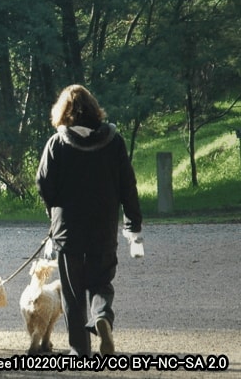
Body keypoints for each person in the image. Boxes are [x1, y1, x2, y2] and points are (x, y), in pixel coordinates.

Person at [36, 84, 142, 357]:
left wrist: (53, 211)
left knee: (71, 294)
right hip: (103, 229)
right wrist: (133, 225)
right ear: (94, 110)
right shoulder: (114, 142)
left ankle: (80, 350)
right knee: (101, 283)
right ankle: (102, 318)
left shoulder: (56, 143)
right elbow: (127, 185)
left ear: (62, 112)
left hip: (67, 231)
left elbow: (43, 183)